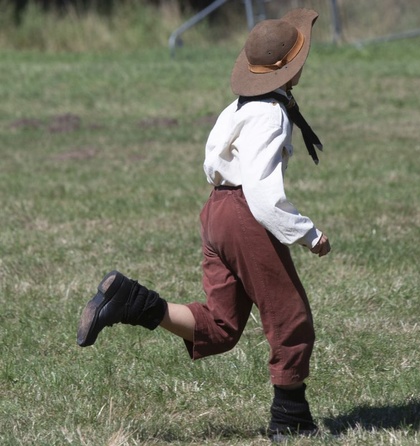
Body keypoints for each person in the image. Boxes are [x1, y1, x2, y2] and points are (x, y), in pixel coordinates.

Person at [76, 8, 330, 441]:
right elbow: (265, 196)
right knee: (290, 318)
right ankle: (291, 420)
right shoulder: (270, 114)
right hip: (246, 215)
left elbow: (213, 161)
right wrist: (308, 234)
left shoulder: (238, 107)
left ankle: (129, 299)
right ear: (292, 69)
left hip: (216, 210)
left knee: (222, 325)